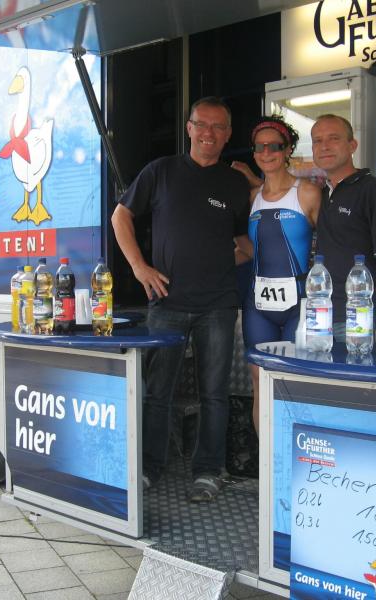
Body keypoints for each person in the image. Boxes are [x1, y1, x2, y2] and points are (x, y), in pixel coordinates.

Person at [111, 97, 251, 503]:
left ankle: (208, 472)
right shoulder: (161, 171)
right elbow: (121, 216)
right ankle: (149, 468)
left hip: (218, 305)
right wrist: (139, 268)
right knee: (158, 392)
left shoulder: (235, 184)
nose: (209, 133)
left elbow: (245, 246)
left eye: (218, 126)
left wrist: (220, 261)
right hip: (166, 301)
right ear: (189, 128)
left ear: (228, 134)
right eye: (201, 124)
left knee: (215, 394)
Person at [236, 117, 320, 435]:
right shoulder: (251, 197)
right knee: (260, 380)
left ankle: (297, 454)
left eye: (275, 146)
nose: (267, 152)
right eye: (260, 147)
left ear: (287, 151)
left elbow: (331, 245)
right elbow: (248, 249)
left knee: (296, 380)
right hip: (258, 303)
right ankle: (268, 457)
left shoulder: (307, 193)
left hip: (299, 302)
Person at [310, 114, 376, 337]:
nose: (324, 146)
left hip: (361, 319)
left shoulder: (374, 191)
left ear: (352, 145)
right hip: (322, 315)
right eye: (317, 140)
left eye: (334, 138)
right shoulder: (320, 194)